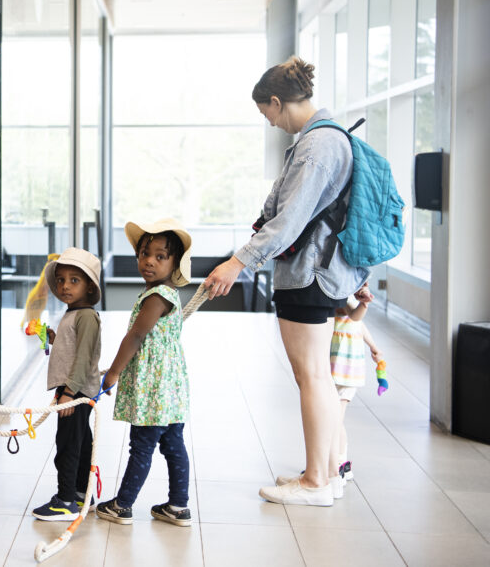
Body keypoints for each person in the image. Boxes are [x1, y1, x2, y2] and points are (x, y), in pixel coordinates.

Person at [204, 56, 370, 507]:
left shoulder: (317, 147)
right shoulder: (331, 139)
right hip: (325, 272)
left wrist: (239, 262)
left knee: (312, 375)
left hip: (309, 275)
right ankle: (329, 471)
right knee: (319, 377)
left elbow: (290, 221)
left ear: (277, 102)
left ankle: (317, 481)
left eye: (267, 114)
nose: (270, 123)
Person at [97, 220, 194, 527]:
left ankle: (122, 505)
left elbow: (136, 337)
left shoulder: (157, 296)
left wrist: (113, 373)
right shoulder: (163, 292)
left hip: (154, 388)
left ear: (174, 262)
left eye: (160, 256)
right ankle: (178, 506)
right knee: (172, 443)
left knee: (142, 445)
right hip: (171, 387)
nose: (149, 260)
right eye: (144, 253)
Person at [276, 283, 382, 486]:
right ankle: (330, 466)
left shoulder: (342, 295)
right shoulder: (342, 294)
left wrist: (364, 305)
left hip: (346, 369)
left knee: (334, 418)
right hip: (337, 366)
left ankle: (336, 466)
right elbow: (356, 320)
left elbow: (356, 319)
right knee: (335, 418)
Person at [31, 248, 102, 521]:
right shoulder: (75, 313)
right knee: (81, 442)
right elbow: (73, 348)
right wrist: (52, 337)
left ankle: (66, 499)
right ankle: (83, 492)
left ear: (89, 286)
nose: (64, 286)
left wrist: (69, 393)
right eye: (61, 280)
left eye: (74, 280)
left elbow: (84, 357)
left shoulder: (85, 316)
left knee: (68, 446)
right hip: (74, 390)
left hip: (76, 391)